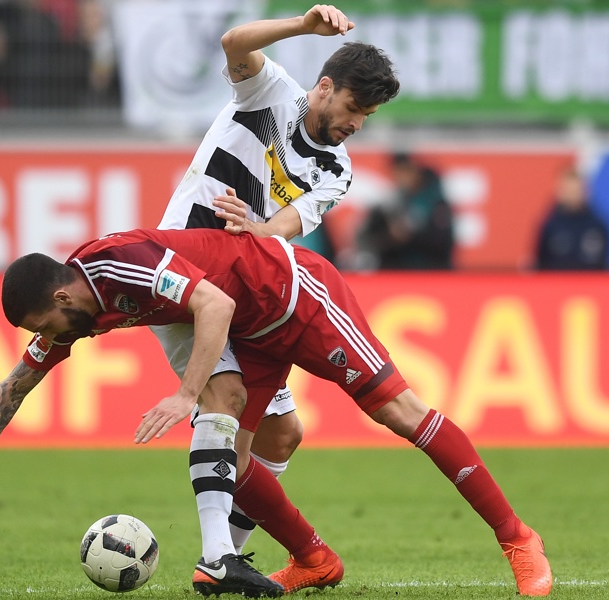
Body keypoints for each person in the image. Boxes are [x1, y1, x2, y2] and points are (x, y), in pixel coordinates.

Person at [0, 226, 553, 598]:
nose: (54, 336)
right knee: (241, 446)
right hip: (253, 336)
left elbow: (215, 304)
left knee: (400, 412)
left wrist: (183, 393)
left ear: (61, 295)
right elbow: (15, 385)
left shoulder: (120, 264)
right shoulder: (77, 313)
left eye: (48, 324)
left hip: (296, 298)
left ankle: (518, 538)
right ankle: (309, 558)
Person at [153, 3, 399, 578]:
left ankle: (232, 555)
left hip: (242, 290)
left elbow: (284, 229)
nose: (357, 123)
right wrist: (299, 27)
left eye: (368, 115)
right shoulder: (272, 95)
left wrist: (253, 230)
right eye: (355, 107)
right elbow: (233, 42)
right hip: (184, 272)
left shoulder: (337, 170)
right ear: (325, 88)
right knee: (227, 398)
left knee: (284, 434)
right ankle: (217, 560)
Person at [355, 152, 455, 270]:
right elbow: (367, 238)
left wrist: (411, 235)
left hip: (431, 271)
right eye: (397, 172)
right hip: (398, 271)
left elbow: (443, 241)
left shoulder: (435, 202)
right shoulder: (390, 201)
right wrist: (389, 237)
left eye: (405, 171)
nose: (401, 177)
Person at [535, 167, 609, 270]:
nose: (573, 195)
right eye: (569, 190)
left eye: (576, 190)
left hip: (589, 284)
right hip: (557, 284)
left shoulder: (598, 227)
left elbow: (605, 267)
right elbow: (540, 265)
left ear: (586, 191)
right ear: (560, 191)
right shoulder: (549, 226)